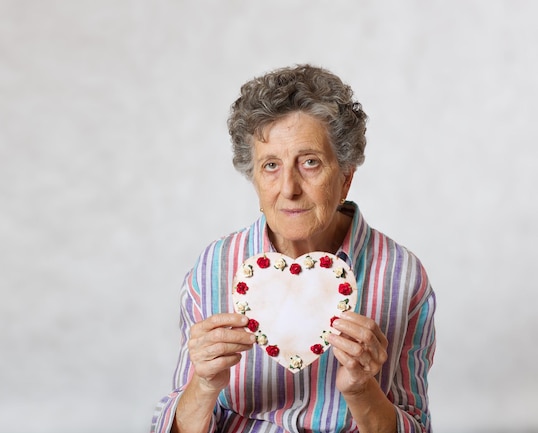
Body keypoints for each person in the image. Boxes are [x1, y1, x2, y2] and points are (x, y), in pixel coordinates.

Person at [151, 64, 436, 433]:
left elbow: (416, 426)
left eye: (310, 162)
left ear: (346, 177)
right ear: (253, 178)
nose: (289, 188)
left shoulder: (403, 277)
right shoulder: (212, 270)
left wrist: (362, 390)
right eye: (271, 165)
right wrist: (204, 385)